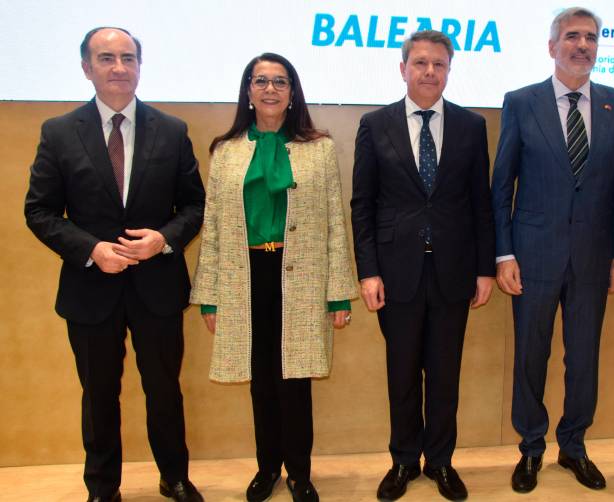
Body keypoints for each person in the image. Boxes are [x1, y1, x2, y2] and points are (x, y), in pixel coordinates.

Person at [23, 27, 205, 502]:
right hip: (91, 289)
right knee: (99, 395)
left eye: (128, 58)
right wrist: (90, 249)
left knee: (164, 390)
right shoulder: (59, 132)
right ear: (87, 68)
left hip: (158, 286)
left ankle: (176, 477)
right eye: (107, 58)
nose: (119, 67)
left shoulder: (172, 130)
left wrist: (163, 240)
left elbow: (195, 206)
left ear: (140, 67)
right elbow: (39, 211)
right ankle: (103, 486)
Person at [189, 53, 357, 502]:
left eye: (279, 81)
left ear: (292, 92)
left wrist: (339, 295)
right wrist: (209, 297)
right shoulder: (226, 151)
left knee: (295, 380)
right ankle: (268, 469)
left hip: (300, 276)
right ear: (247, 91)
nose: (269, 89)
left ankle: (300, 473)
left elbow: (334, 226)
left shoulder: (318, 148)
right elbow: (214, 228)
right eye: (260, 80)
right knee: (261, 380)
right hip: (245, 277)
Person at [491, 6, 614, 494]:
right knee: (531, 356)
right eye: (572, 37)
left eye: (591, 37)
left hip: (594, 259)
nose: (582, 45)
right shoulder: (521, 101)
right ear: (552, 47)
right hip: (532, 256)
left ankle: (573, 446)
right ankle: (531, 448)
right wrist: (504, 254)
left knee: (584, 358)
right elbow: (501, 186)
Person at [350, 30, 495, 502]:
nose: (430, 72)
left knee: (445, 374)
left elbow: (481, 204)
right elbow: (363, 205)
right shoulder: (376, 124)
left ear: (449, 70)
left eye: (439, 64)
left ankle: (442, 462)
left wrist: (484, 269)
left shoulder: (472, 127)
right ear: (403, 68)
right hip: (396, 273)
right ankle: (403, 461)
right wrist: (368, 271)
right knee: (402, 374)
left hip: (454, 271)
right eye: (420, 63)